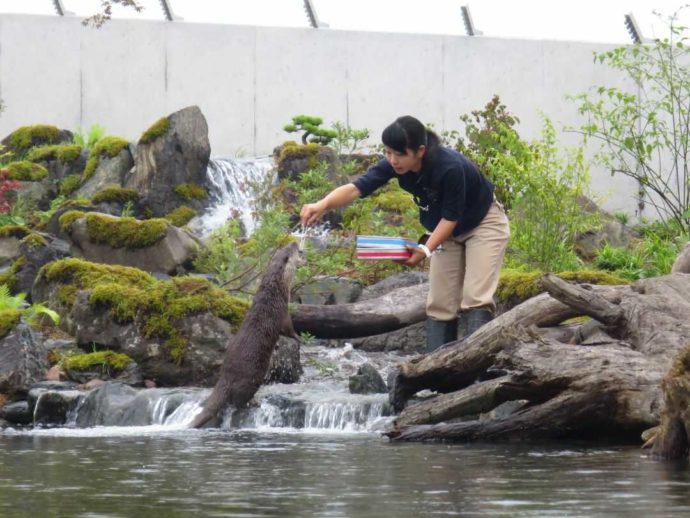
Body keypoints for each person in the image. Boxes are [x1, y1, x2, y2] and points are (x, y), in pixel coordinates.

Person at [300, 115, 510, 352]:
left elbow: (451, 218)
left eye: (399, 154)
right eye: (388, 152)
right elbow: (358, 187)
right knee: (440, 303)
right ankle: (436, 373)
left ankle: (477, 367)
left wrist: (424, 250)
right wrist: (322, 204)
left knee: (475, 299)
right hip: (446, 230)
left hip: (483, 223)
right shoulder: (394, 165)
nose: (393, 160)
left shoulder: (449, 167)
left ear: (420, 151)